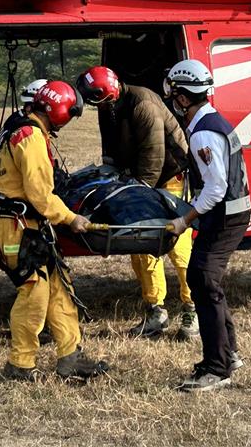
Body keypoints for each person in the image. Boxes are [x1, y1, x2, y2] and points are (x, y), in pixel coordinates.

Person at [0, 80, 109, 382]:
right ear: (61, 111)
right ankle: (20, 364)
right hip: (16, 226)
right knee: (34, 292)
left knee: (59, 289)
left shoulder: (21, 127)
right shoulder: (30, 137)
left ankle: (70, 357)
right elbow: (40, 194)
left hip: (28, 225)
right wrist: (70, 218)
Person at [75, 65, 196, 340]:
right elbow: (111, 147)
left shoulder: (144, 104)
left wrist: (139, 194)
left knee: (177, 245)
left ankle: (193, 307)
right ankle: (156, 311)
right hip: (139, 178)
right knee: (140, 243)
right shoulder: (108, 106)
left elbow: (154, 155)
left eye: (95, 100)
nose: (94, 106)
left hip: (168, 175)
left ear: (107, 94)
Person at [165, 59, 251, 392]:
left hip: (224, 215)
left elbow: (215, 187)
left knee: (203, 280)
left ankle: (217, 367)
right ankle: (228, 354)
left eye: (175, 96)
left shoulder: (203, 132)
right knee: (204, 280)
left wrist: (184, 220)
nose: (174, 101)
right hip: (228, 212)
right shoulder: (211, 122)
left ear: (183, 98)